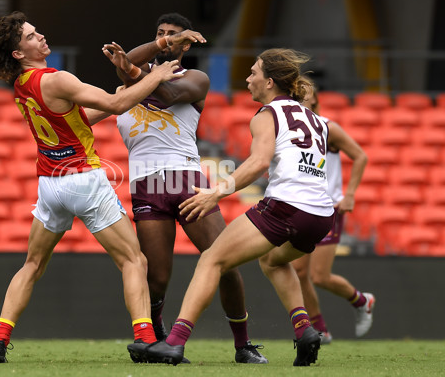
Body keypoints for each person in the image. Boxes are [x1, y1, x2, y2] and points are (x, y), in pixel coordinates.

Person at [0, 11, 181, 363]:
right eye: (30, 36)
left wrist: (123, 93)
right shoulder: (56, 79)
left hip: (49, 186)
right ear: (18, 53)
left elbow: (77, 120)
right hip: (84, 180)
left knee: (33, 264)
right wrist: (157, 74)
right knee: (134, 260)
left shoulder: (22, 85)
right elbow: (117, 104)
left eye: (37, 31)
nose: (40, 36)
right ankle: (146, 339)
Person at [140, 48, 337, 366]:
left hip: (287, 207)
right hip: (322, 215)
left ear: (270, 82)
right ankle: (305, 331)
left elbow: (258, 162)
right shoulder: (315, 119)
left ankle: (174, 343)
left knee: (212, 260)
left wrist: (215, 193)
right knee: (273, 261)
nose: (248, 79)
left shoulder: (266, 116)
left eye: (253, 73)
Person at [103, 12, 267, 364]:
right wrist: (146, 59)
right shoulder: (130, 81)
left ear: (187, 43)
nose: (167, 39)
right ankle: (157, 337)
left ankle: (243, 344)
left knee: (223, 262)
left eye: (174, 34)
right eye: (161, 34)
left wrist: (136, 73)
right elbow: (126, 62)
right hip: (145, 184)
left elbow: (165, 94)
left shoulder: (195, 78)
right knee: (157, 277)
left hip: (186, 180)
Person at [291, 77, 373, 344]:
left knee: (319, 276)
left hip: (328, 208)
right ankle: (321, 331)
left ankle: (362, 301)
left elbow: (360, 156)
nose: (301, 96)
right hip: (301, 206)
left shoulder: (327, 128)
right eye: (296, 92)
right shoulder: (289, 131)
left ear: (315, 98)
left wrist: (349, 195)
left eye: (306, 92)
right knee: (299, 272)